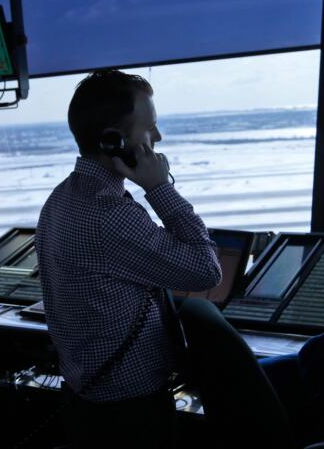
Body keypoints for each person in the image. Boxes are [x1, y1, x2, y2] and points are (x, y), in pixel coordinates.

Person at [37, 69, 222, 448]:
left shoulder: (60, 198)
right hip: (128, 411)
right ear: (113, 141)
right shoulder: (109, 213)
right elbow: (206, 271)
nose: (158, 138)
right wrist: (158, 188)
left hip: (85, 397)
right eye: (149, 127)